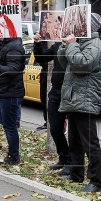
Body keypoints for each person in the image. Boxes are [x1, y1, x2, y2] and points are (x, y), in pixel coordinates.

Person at [58, 12, 101, 192]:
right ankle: (76, 175)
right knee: (75, 140)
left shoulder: (94, 45)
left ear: (89, 27)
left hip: (86, 99)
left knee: (89, 142)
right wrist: (65, 47)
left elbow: (81, 64)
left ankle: (95, 181)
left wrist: (71, 46)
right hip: (75, 97)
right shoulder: (79, 43)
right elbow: (66, 64)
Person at [0, 36, 26, 165]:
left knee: (10, 126)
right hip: (4, 90)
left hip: (11, 92)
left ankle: (14, 156)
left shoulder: (14, 47)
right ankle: (12, 154)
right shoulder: (7, 45)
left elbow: (13, 70)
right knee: (8, 125)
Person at [33, 33, 69, 171]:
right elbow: (41, 58)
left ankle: (72, 162)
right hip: (56, 92)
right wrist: (38, 44)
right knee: (54, 128)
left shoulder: (78, 45)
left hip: (71, 93)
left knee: (75, 133)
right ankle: (63, 157)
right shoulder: (57, 45)